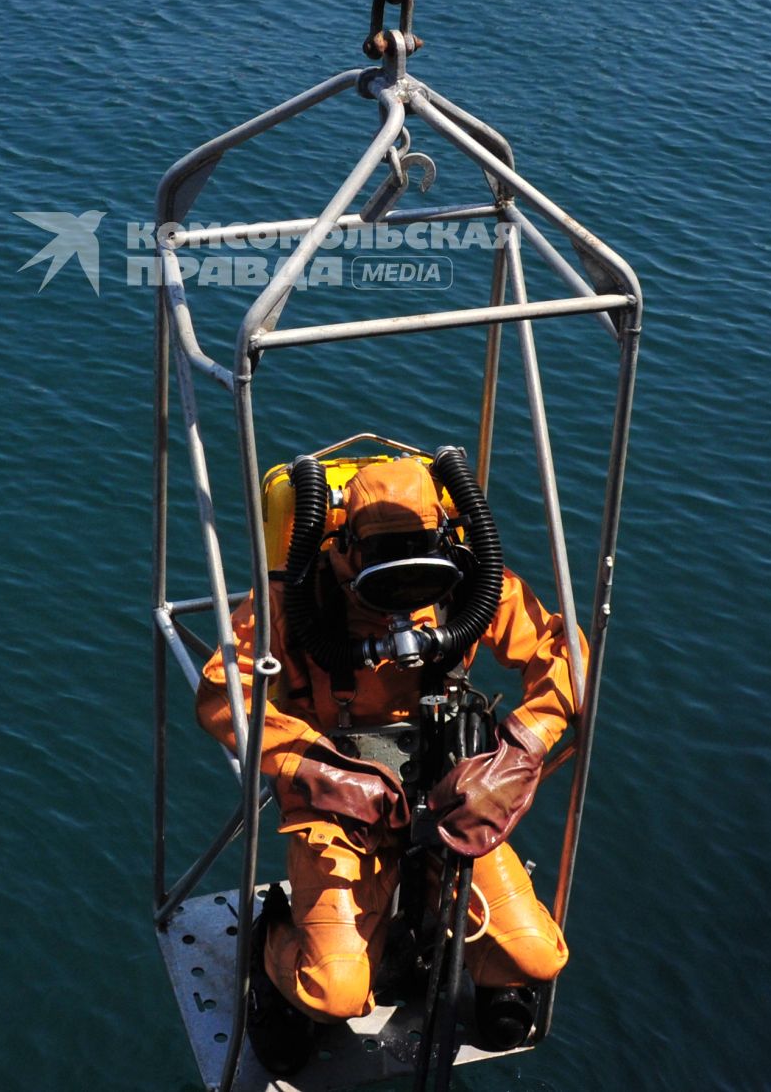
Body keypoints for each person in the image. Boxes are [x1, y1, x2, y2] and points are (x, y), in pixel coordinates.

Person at [196, 450, 582, 1077]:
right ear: (344, 546)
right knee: (336, 990)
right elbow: (222, 694)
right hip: (338, 815)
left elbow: (567, 659)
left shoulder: (471, 589)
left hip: (453, 799)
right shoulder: (301, 601)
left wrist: (518, 752)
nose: (403, 599)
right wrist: (319, 769)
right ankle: (274, 942)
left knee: (536, 958)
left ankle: (440, 910)